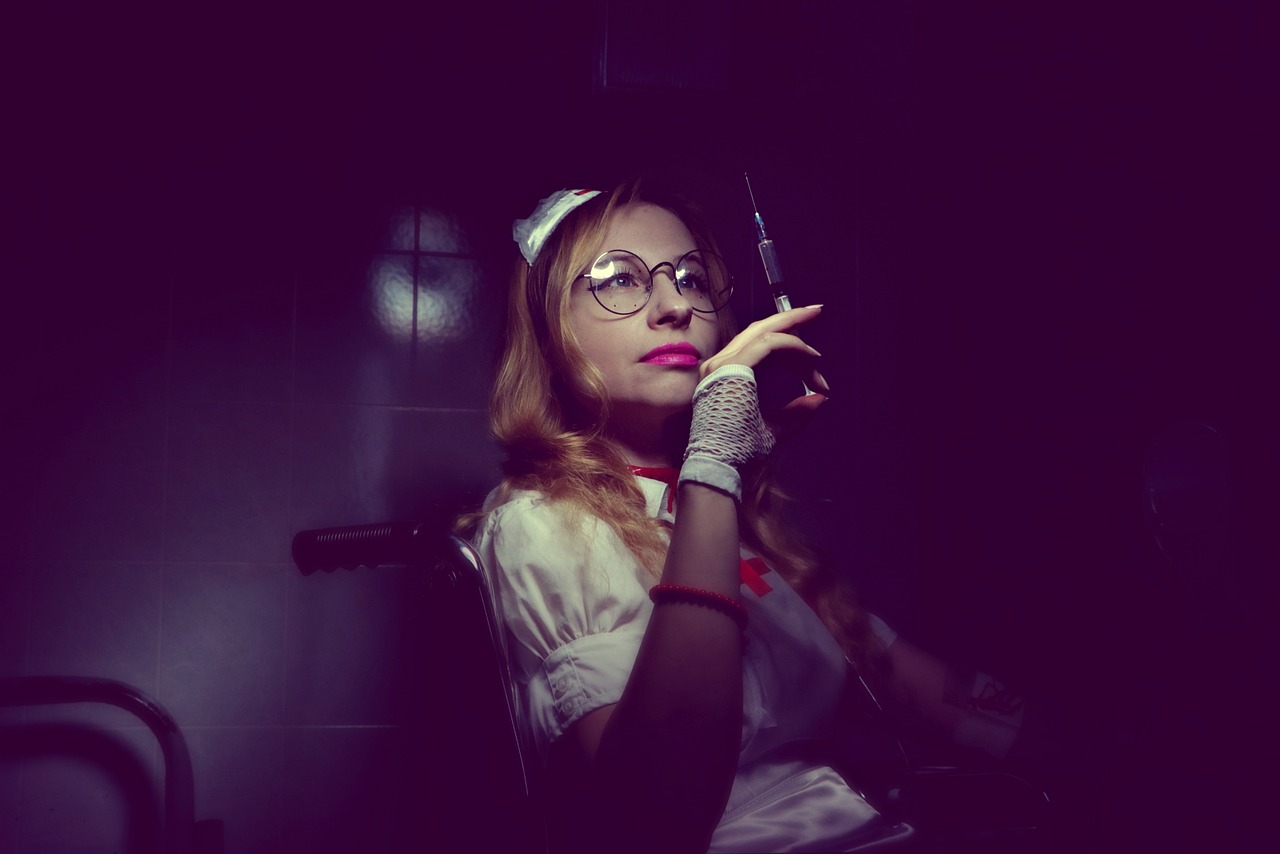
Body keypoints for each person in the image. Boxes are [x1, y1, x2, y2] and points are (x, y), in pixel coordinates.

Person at [468, 179, 1026, 853]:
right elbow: (658, 813)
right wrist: (713, 460)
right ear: (549, 333)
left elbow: (912, 685)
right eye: (619, 279)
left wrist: (1070, 750)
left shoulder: (734, 517)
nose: (676, 306)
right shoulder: (541, 525)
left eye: (692, 279)